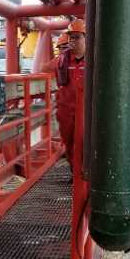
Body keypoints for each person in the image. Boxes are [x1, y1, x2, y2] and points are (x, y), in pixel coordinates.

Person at [43, 19, 86, 175]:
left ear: (86, 38)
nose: (72, 40)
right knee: (69, 142)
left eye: (77, 37)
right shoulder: (62, 59)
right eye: (71, 37)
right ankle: (75, 173)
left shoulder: (96, 58)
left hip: (87, 111)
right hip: (66, 110)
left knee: (86, 142)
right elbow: (43, 69)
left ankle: (86, 174)